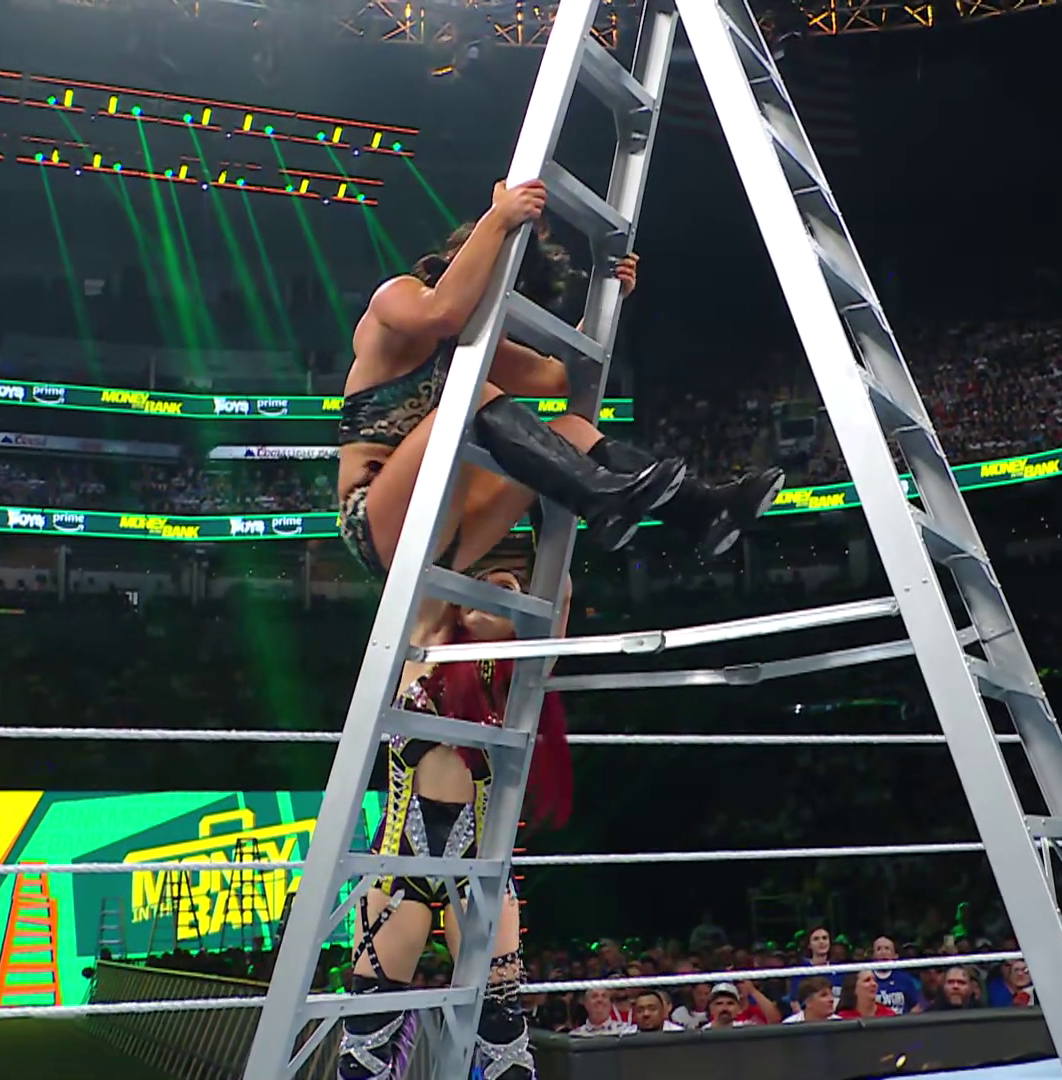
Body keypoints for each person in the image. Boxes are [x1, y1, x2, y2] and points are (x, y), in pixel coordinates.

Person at [336, 179, 783, 579]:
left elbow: (557, 378)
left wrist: (608, 302)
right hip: (376, 521)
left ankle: (705, 510)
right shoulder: (398, 297)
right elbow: (444, 311)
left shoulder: (472, 349)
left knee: (571, 429)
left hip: (450, 536)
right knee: (472, 394)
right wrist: (500, 218)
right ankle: (601, 500)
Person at [335, 544, 575, 1080]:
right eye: (479, 583)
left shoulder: (518, 677)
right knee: (366, 1043)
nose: (488, 594)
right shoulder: (424, 641)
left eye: (505, 588)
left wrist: (554, 526)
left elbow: (559, 599)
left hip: (479, 865)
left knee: (504, 1040)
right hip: (399, 861)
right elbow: (426, 566)